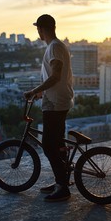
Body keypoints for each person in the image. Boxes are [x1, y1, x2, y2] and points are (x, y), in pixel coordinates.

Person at [24, 14, 74, 202]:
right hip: (57, 100)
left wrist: (34, 91)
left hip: (55, 103)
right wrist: (40, 93)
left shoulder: (54, 47)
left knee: (48, 145)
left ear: (42, 29)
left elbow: (55, 77)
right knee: (58, 145)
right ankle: (61, 182)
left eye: (38, 28)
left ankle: (62, 187)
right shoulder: (57, 46)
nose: (37, 31)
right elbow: (54, 80)